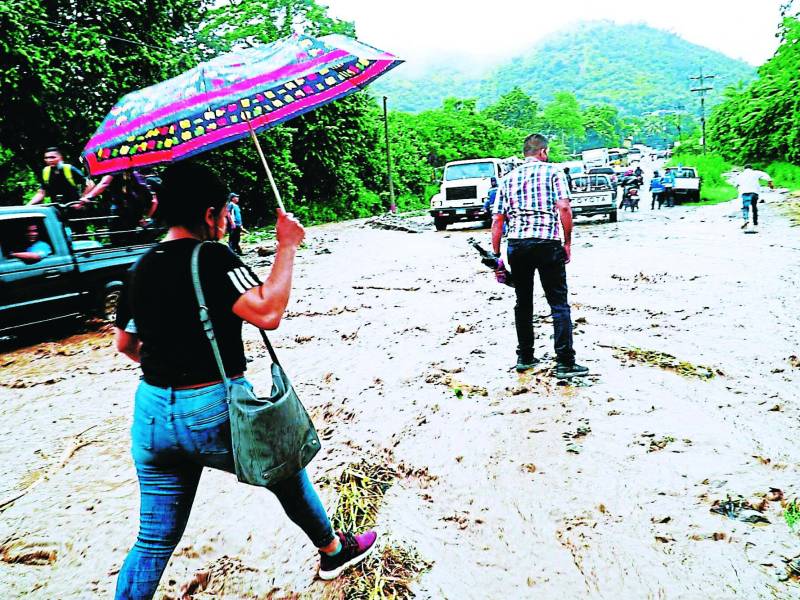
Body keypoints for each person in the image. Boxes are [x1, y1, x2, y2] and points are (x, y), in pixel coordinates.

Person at [112, 163, 377, 600]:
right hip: (211, 406)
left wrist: (170, 368)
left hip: (152, 413)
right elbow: (267, 312)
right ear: (211, 213)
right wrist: (287, 246)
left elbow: (125, 344)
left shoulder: (140, 267)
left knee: (154, 539)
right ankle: (332, 550)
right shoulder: (212, 257)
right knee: (284, 468)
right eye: (225, 213)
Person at [491, 133, 589, 379]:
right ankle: (565, 362)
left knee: (523, 302)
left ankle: (525, 357)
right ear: (543, 152)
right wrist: (567, 243)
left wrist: (495, 256)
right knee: (558, 303)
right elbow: (564, 208)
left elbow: (498, 219)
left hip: (518, 246)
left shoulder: (507, 179)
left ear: (525, 153)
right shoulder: (554, 172)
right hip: (548, 244)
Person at [84, 169, 156, 244]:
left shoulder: (115, 168)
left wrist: (87, 197)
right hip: (132, 208)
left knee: (117, 238)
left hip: (121, 208)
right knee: (129, 237)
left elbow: (104, 183)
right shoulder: (131, 171)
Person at [735, 164, 774, 232]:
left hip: (744, 192)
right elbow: (766, 175)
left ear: (744, 169)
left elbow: (736, 184)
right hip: (754, 192)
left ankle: (746, 220)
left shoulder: (740, 175)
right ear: (751, 168)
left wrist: (739, 188)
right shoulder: (756, 173)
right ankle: (755, 223)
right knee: (754, 207)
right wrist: (770, 183)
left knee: (745, 207)